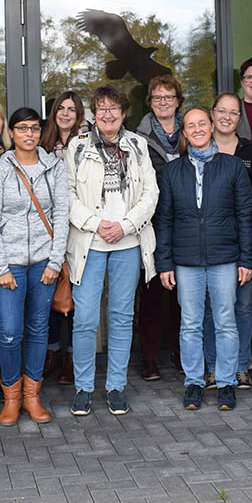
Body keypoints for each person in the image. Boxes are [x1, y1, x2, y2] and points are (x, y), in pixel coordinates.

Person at [66, 85, 158, 418]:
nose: (108, 114)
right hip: (90, 243)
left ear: (124, 112)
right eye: (101, 108)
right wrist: (94, 222)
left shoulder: (138, 146)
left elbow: (151, 193)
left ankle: (115, 386)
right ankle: (83, 388)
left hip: (128, 243)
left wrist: (127, 224)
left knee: (121, 317)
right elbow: (68, 196)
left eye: (114, 108)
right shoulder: (76, 148)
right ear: (94, 113)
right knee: (86, 318)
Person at [156, 106, 252, 411]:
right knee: (190, 324)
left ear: (212, 126)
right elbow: (164, 220)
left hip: (225, 257)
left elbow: (246, 215)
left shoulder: (232, 166)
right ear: (184, 133)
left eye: (202, 123)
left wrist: (247, 259)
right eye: (191, 125)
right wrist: (165, 263)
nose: (197, 129)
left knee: (226, 321)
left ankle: (226, 383)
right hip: (186, 261)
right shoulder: (173, 171)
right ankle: (194, 383)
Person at [0, 108, 69, 426]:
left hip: (44, 263)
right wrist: (1, 267)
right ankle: (11, 399)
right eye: (22, 128)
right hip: (10, 264)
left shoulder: (54, 167)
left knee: (38, 330)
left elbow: (61, 216)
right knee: (8, 333)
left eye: (34, 128)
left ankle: (32, 397)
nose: (29, 134)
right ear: (12, 132)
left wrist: (55, 261)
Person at [204, 93, 252, 387]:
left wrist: (249, 251)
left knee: (242, 306)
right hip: (209, 244)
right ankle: (214, 366)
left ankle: (240, 365)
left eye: (233, 112)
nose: (226, 117)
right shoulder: (200, 149)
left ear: (240, 118)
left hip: (243, 241)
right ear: (212, 114)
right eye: (221, 111)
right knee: (212, 307)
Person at [134, 75, 184, 381]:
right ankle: (150, 358)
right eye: (157, 98)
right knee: (153, 294)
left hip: (188, 222)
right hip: (151, 223)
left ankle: (181, 353)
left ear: (178, 100)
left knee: (183, 294)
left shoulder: (191, 131)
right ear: (150, 103)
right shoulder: (138, 138)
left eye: (169, 97)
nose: (163, 102)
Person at [41, 91, 86, 385]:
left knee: (76, 298)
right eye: (61, 108)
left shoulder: (87, 145)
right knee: (51, 296)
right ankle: (52, 352)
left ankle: (71, 357)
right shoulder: (42, 145)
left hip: (80, 229)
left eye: (72, 109)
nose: (66, 114)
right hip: (47, 230)